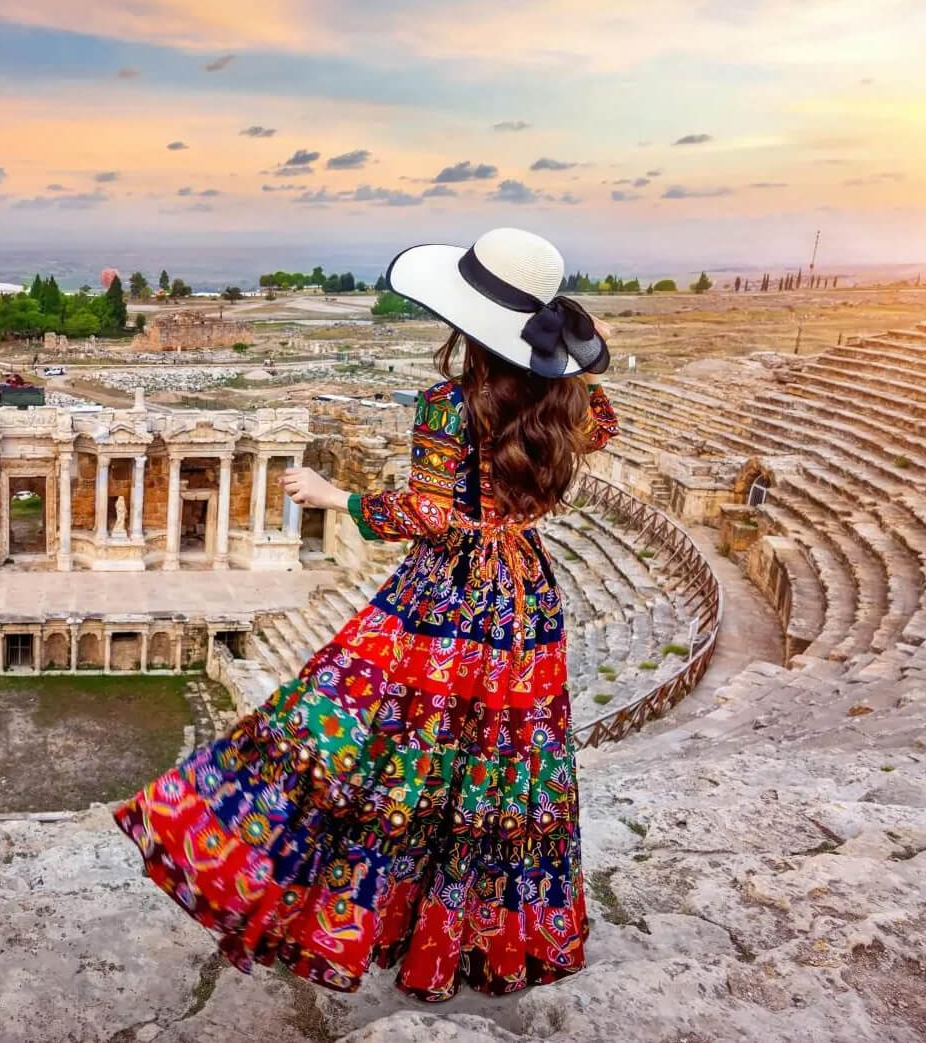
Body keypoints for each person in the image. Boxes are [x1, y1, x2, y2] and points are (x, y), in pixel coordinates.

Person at [114, 228, 619, 1001]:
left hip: (447, 600)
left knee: (347, 734)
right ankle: (473, 943)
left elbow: (428, 513)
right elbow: (600, 428)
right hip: (525, 599)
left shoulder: (450, 407)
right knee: (500, 769)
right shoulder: (572, 403)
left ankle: (261, 868)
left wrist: (336, 498)